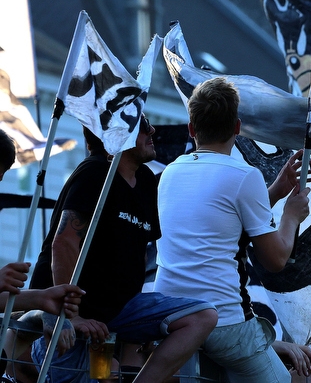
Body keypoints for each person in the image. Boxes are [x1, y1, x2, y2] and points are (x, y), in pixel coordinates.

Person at [29, 120, 218, 383]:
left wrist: (142, 330)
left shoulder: (146, 182)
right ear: (116, 134)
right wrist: (72, 316)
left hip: (119, 310)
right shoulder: (95, 172)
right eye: (142, 125)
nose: (152, 131)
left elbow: (138, 255)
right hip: (67, 313)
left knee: (202, 316)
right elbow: (64, 243)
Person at [152, 77, 311, 383]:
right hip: (223, 322)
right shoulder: (244, 176)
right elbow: (275, 259)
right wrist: (291, 215)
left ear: (191, 129)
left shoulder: (171, 171)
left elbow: (221, 219)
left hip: (169, 314)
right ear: (237, 128)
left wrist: (277, 189)